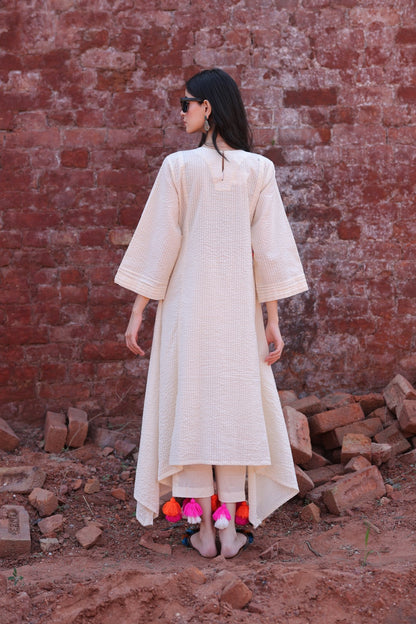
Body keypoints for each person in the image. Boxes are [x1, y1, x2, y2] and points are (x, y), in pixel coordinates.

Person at [114, 68, 308, 558]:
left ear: (207, 108)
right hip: (238, 315)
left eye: (185, 103)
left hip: (187, 313)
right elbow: (268, 253)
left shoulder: (178, 167)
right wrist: (271, 320)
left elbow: (160, 244)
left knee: (195, 410)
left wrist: (139, 311)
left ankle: (202, 531)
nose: (180, 112)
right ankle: (229, 532)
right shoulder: (258, 170)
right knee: (235, 411)